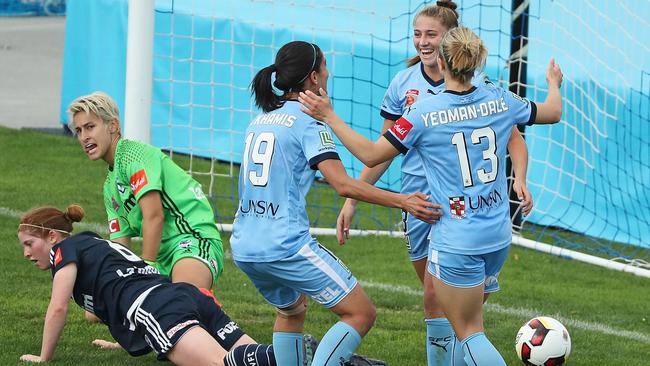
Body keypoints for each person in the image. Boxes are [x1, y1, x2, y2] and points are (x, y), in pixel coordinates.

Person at [299, 26, 563, 366]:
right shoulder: (500, 98)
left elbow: (371, 154)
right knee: (458, 323)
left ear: (442, 59)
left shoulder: (424, 112)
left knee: (469, 332)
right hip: (497, 235)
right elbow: (552, 112)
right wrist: (554, 84)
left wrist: (329, 116)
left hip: (457, 239)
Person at [230, 40, 440, 366]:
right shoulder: (309, 121)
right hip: (284, 245)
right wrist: (403, 201)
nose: (329, 72)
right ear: (314, 77)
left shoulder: (259, 121)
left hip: (244, 244)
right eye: (325, 66)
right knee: (361, 313)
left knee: (292, 310)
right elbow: (342, 185)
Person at [17, 204, 279, 366]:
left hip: (157, 308)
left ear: (52, 236)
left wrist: (43, 358)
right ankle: (290, 356)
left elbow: (58, 307)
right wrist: (125, 338)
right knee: (256, 354)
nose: (26, 253)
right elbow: (115, 290)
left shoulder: (63, 250)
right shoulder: (94, 243)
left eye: (30, 244)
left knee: (219, 363)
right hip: (185, 295)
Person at [68, 92, 223, 294]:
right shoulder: (109, 186)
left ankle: (212, 315)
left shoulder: (134, 155)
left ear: (113, 126)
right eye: (79, 131)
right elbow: (120, 246)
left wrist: (146, 268)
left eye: (90, 127)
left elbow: (154, 216)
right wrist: (115, 280)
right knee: (97, 310)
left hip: (193, 241)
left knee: (179, 301)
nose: (84, 137)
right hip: (159, 256)